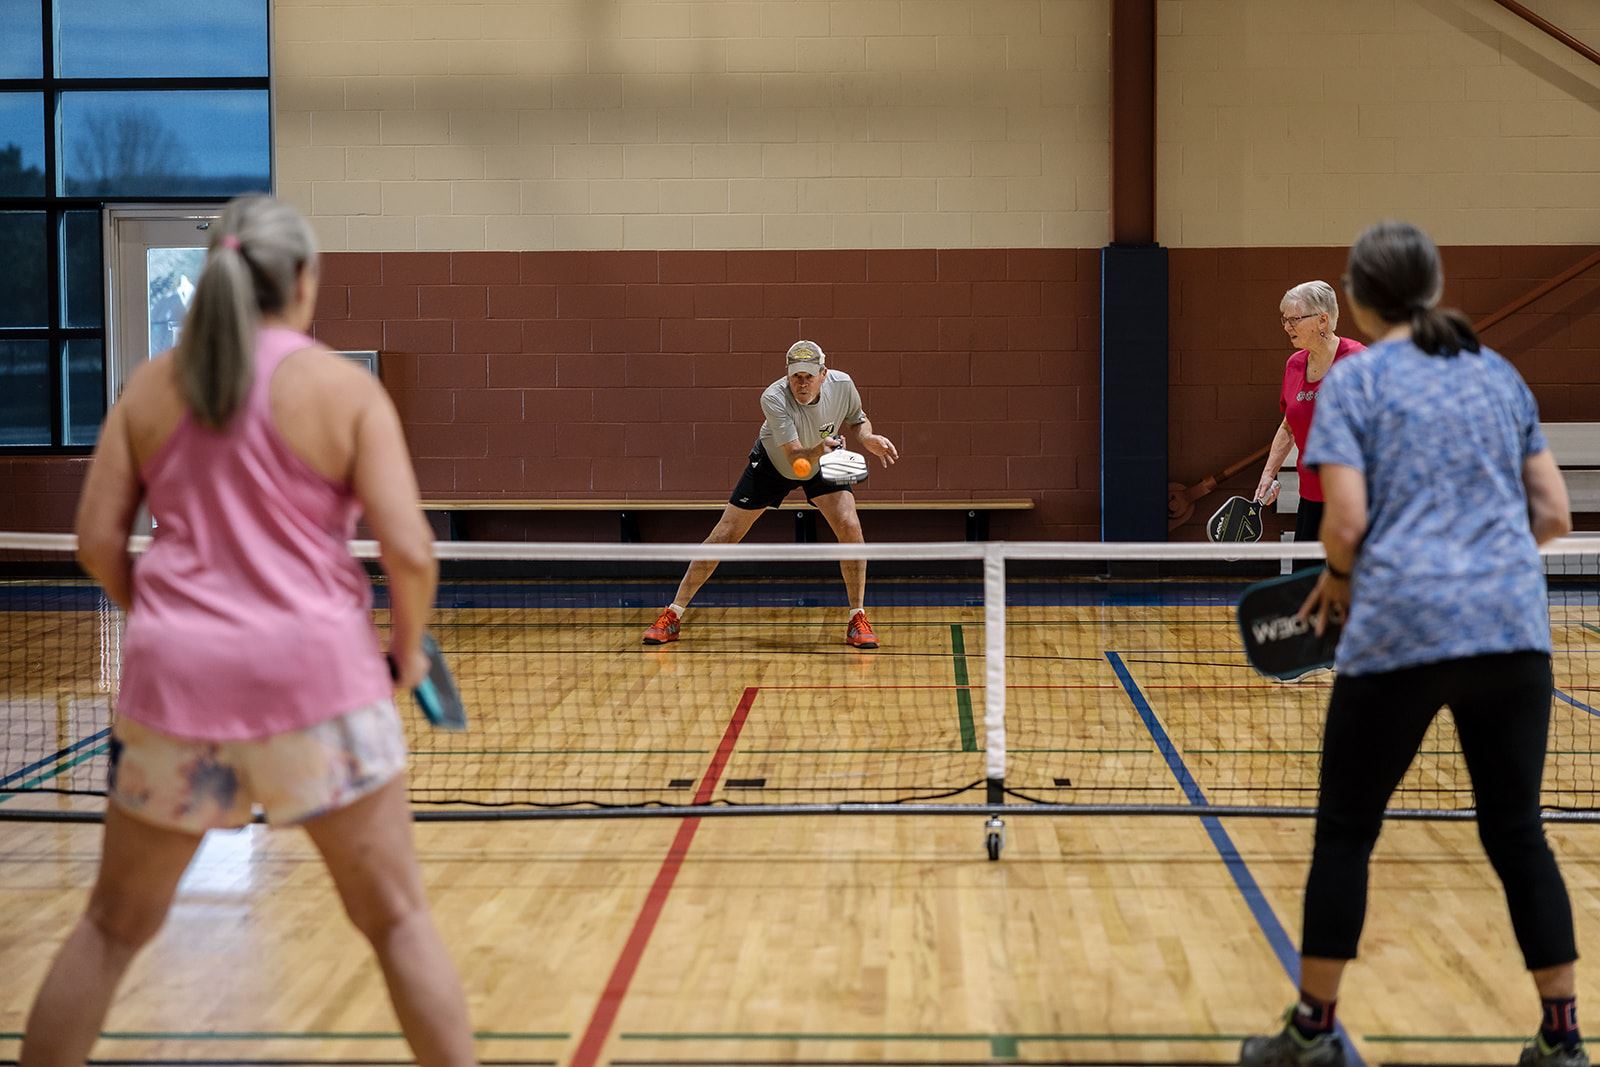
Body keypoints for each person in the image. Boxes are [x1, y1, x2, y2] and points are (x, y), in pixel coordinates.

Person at [21, 195, 477, 1067]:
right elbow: (411, 553)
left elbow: (94, 541)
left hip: (174, 693)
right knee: (398, 922)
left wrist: (165, 618)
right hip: (322, 685)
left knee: (110, 930)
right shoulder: (343, 390)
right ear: (302, 282)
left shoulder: (153, 385)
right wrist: (409, 649)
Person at [1240, 221, 1580, 1067]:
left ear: (1357, 300)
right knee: (1519, 834)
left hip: (1402, 632)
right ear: (1429, 289)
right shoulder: (1496, 376)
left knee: (1347, 830)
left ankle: (1315, 1029)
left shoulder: (1359, 383)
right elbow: (1554, 517)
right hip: (1511, 633)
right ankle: (1563, 1039)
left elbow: (1345, 524)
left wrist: (1356, 573)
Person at [642, 340, 899, 649]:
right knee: (724, 534)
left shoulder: (843, 385)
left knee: (850, 526)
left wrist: (867, 437)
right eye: (795, 376)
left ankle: (857, 618)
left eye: (808, 376)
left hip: (823, 459)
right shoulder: (774, 397)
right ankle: (672, 615)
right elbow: (796, 458)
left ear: (823, 374)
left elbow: (858, 419)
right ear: (787, 376)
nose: (802, 383)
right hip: (776, 463)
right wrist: (824, 447)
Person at [1253, 281, 1365, 565]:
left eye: (1294, 319)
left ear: (1322, 320)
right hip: (1312, 497)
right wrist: (1268, 474)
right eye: (1284, 319)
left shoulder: (1358, 362)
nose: (1287, 326)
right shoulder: (1294, 364)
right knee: (1304, 589)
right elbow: (1288, 425)